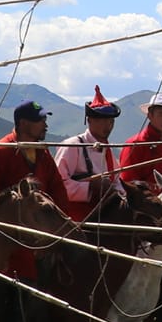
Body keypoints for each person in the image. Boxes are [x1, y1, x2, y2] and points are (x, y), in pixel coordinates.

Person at [0, 100, 70, 206]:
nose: (45, 126)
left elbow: (58, 191)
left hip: (40, 221)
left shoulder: (43, 153)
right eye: (40, 121)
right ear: (23, 123)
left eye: (45, 120)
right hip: (6, 222)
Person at [54, 87, 122, 222]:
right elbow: (58, 185)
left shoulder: (107, 149)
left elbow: (116, 181)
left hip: (104, 218)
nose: (107, 126)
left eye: (110, 121)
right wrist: (91, 187)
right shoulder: (73, 145)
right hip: (74, 221)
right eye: (101, 120)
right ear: (89, 120)